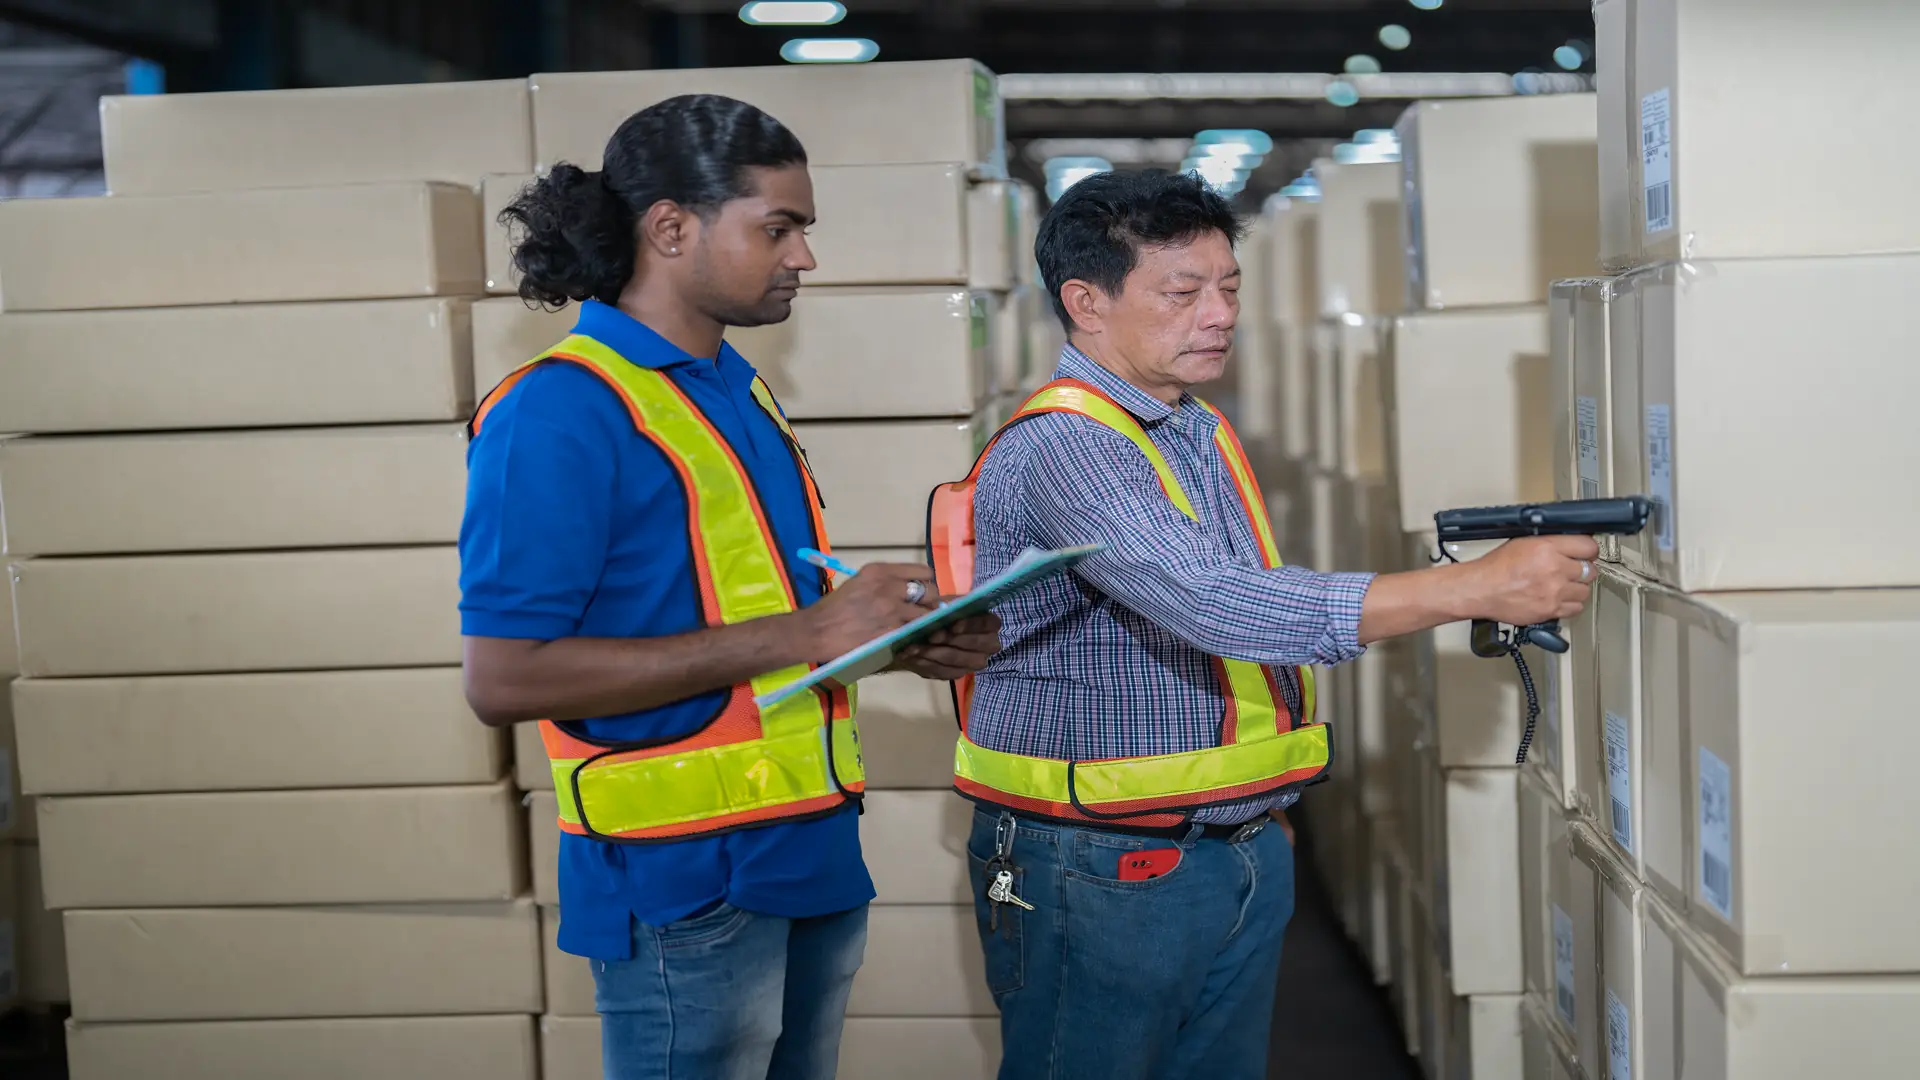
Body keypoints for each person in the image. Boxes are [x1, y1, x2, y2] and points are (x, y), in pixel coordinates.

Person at [928, 169, 1598, 1080]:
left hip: (1221, 846)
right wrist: (1469, 588)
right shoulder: (1067, 447)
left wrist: (1255, 817)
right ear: (1086, 303)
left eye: (1229, 287)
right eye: (1182, 292)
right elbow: (1221, 606)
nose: (1219, 314)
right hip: (1099, 862)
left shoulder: (1186, 428)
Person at [458, 94, 1001, 1080]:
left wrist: (892, 634)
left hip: (807, 856)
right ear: (671, 228)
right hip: (684, 888)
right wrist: (807, 632)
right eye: (778, 228)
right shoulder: (558, 414)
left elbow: (747, 612)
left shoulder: (734, 387)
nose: (804, 258)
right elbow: (506, 679)